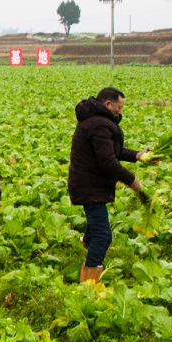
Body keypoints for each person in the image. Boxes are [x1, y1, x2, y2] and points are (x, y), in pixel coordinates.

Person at [67, 86, 148, 284]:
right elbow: (108, 161)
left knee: (96, 228)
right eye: (119, 107)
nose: (120, 111)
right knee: (103, 235)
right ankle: (89, 282)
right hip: (90, 186)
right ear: (107, 104)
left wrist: (137, 155)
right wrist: (132, 181)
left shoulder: (97, 121)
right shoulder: (99, 125)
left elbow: (111, 150)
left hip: (89, 183)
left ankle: (87, 241)